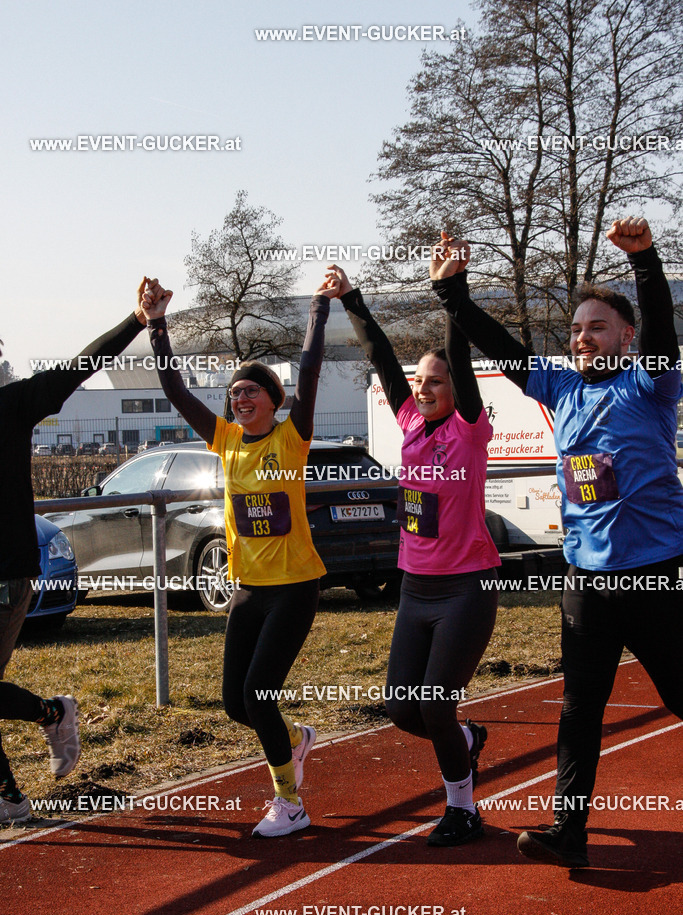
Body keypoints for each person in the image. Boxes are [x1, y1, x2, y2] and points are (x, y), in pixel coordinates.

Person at [435, 217, 683, 867]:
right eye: (575, 328)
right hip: (586, 580)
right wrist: (454, 296)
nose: (581, 336)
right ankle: (566, 829)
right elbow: (503, 350)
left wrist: (644, 261)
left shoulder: (649, 383)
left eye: (595, 326)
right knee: (578, 710)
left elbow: (661, 330)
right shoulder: (560, 385)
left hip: (655, 573)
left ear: (624, 337)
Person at [142, 274, 340, 837]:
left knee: (258, 694)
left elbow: (309, 370)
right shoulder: (226, 440)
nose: (240, 398)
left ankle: (291, 804)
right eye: (234, 393)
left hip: (296, 588)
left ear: (272, 401)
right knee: (236, 704)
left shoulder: (290, 438)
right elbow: (178, 392)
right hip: (247, 591)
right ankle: (297, 741)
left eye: (251, 391)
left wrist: (319, 309)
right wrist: (158, 324)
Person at [329, 250, 499, 848]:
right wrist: (352, 300)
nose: (425, 388)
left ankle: (463, 808)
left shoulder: (470, 429)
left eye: (437, 380)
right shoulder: (408, 422)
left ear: (457, 388)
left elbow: (459, 358)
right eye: (421, 381)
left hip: (466, 587)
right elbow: (380, 359)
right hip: (415, 587)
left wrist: (453, 290)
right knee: (403, 709)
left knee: (433, 706)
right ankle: (468, 739)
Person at [0, 280, 151, 824]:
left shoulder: (11, 404)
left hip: (5, 573)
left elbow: (76, 369)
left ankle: (52, 716)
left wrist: (135, 320)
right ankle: (13, 796)